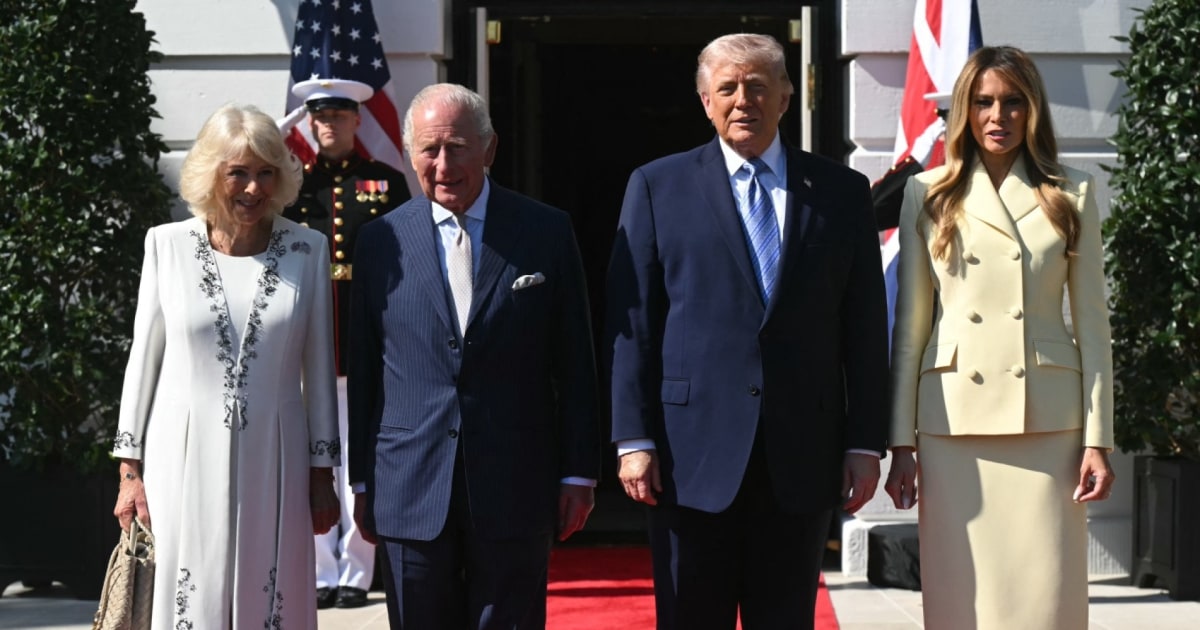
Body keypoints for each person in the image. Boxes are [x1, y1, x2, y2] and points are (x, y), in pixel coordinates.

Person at [605, 33, 890, 630]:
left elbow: (864, 326)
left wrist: (865, 443)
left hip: (801, 454)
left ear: (786, 97)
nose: (743, 100)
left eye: (758, 86)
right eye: (728, 88)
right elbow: (632, 326)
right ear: (705, 100)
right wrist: (633, 439)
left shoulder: (840, 193)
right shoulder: (658, 186)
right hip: (689, 455)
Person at [347, 83, 601, 629]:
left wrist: (580, 472)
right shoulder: (379, 242)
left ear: (489, 148)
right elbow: (366, 371)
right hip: (408, 484)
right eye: (429, 150)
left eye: (457, 147)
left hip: (516, 484)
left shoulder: (545, 231)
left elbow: (576, 362)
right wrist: (362, 481)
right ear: (410, 153)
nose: (443, 164)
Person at [883, 46, 1115, 630]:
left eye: (1013, 102)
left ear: (1033, 109)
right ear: (964, 110)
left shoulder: (1074, 191)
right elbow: (911, 329)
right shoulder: (927, 192)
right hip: (953, 422)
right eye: (983, 102)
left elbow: (1092, 325)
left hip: (1049, 424)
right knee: (964, 597)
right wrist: (900, 443)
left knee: (1045, 597)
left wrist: (1098, 440)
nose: (998, 116)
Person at [111, 103, 340, 629]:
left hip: (276, 457)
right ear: (211, 172)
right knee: (188, 594)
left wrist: (322, 472)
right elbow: (141, 362)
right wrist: (130, 472)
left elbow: (319, 370)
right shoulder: (165, 246)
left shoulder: (308, 249)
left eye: (265, 173)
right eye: (238, 172)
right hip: (180, 458)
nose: (253, 188)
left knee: (271, 596)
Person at [282, 77, 412, 610]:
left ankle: (357, 573)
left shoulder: (384, 182)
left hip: (367, 339)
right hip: (313, 339)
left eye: (338, 116)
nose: (328, 125)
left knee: (363, 457)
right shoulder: (294, 188)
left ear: (358, 121)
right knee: (317, 457)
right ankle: (318, 569)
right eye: (319, 118)